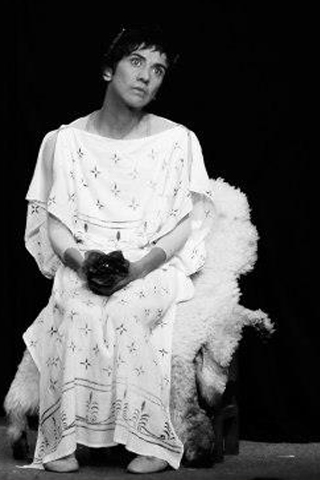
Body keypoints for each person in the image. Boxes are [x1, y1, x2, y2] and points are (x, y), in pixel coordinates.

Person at [22, 25, 215, 474]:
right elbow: (56, 225)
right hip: (85, 259)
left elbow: (181, 227)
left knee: (126, 313)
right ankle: (62, 441)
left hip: (151, 264)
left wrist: (141, 267)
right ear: (109, 70)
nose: (147, 76)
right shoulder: (64, 141)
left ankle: (152, 442)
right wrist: (82, 262)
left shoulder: (177, 141)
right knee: (77, 309)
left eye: (158, 70)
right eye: (137, 62)